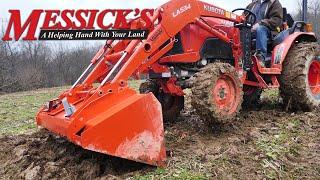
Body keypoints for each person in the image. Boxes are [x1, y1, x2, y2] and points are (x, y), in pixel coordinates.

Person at [247, 0, 283, 66]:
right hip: (251, 30)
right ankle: (240, 56)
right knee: (240, 30)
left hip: (269, 31)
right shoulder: (252, 5)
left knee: (260, 29)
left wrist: (260, 24)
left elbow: (277, 20)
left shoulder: (274, 3)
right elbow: (244, 16)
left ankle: (260, 57)